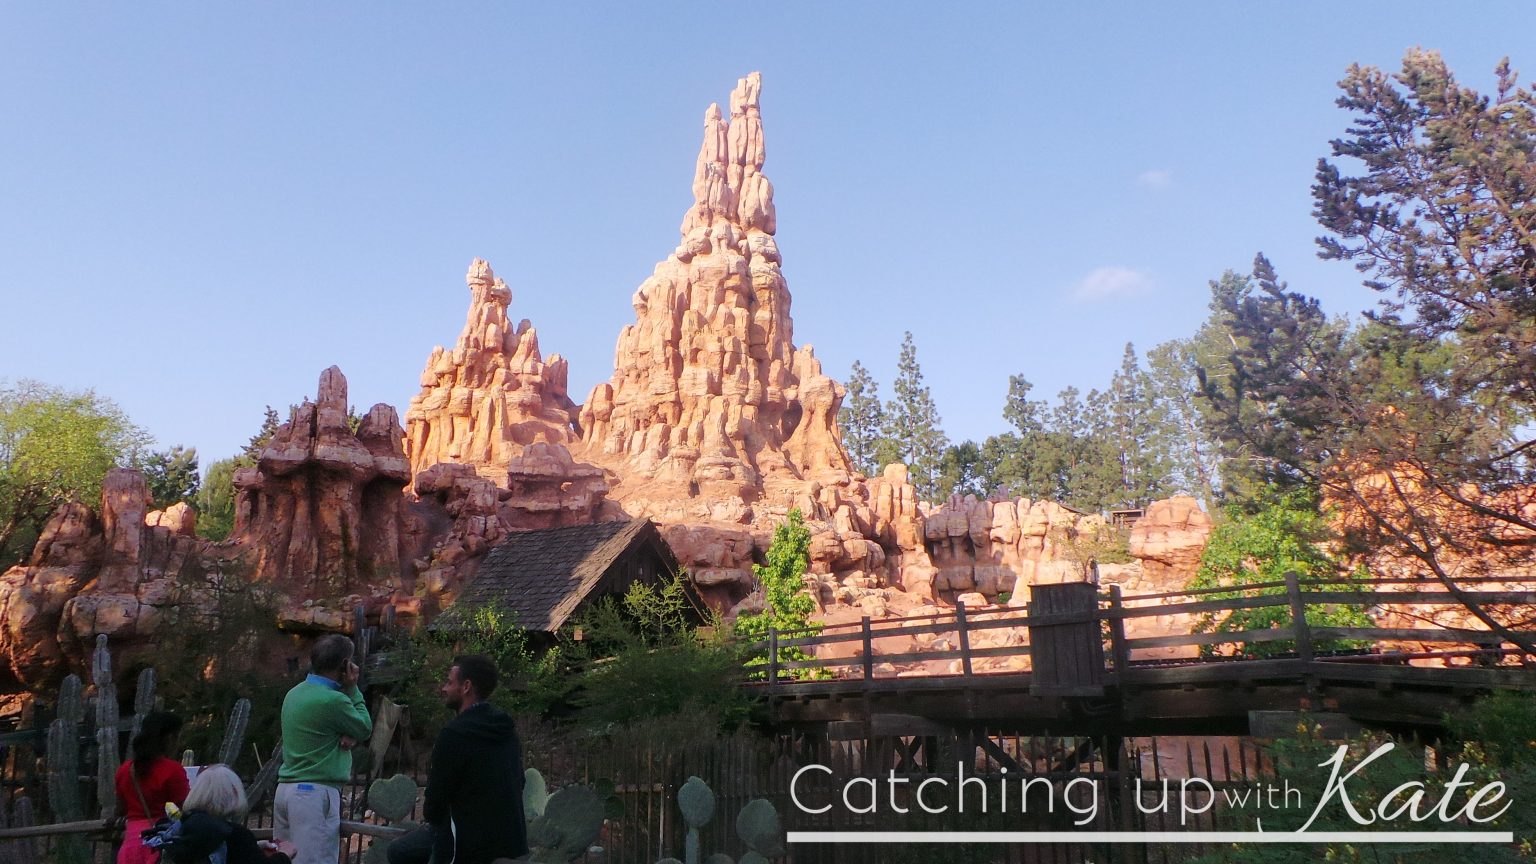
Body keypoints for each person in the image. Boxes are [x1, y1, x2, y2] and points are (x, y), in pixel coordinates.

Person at [386, 655, 527, 864]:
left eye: (449, 682)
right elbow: (519, 780)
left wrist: (435, 821)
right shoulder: (506, 730)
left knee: (398, 852)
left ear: (466, 687)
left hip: (465, 842)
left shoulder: (454, 734)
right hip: (510, 839)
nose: (444, 688)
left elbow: (437, 798)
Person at [275, 634, 371, 864]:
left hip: (285, 790)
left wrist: (344, 733)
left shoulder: (294, 694)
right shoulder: (333, 701)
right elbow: (364, 727)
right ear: (345, 665)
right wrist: (354, 689)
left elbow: (322, 730)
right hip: (313, 793)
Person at [166, 764, 291, 864]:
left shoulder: (185, 828)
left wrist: (254, 847)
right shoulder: (234, 834)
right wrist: (284, 855)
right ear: (235, 794)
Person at [115, 711, 189, 864]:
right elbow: (184, 810)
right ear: (169, 739)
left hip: (130, 846)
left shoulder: (125, 770)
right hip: (158, 844)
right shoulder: (173, 770)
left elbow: (120, 809)